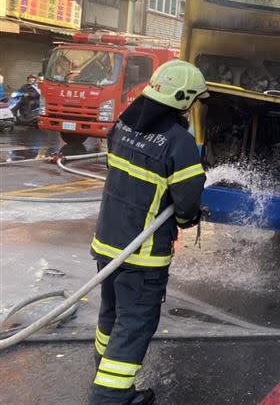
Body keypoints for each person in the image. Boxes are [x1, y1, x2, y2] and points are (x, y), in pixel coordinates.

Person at [89, 60, 209, 405]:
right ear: (184, 100)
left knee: (110, 314)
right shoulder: (178, 142)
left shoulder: (124, 125)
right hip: (142, 257)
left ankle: (105, 377)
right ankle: (109, 398)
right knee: (135, 323)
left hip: (108, 245)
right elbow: (186, 205)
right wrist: (187, 221)